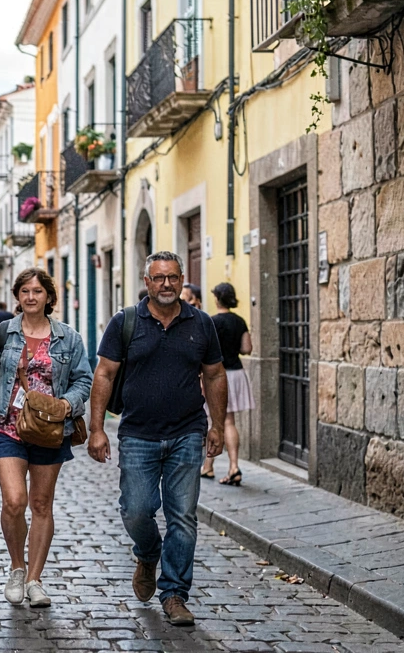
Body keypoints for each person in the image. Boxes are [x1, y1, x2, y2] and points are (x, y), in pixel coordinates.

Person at [87, 250, 227, 627]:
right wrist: (97, 428)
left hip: (187, 432)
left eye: (174, 278)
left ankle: (175, 594)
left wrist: (217, 425)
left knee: (182, 517)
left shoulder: (202, 323)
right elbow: (104, 375)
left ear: (182, 281)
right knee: (136, 509)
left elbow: (214, 375)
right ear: (146, 282)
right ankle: (148, 553)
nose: (167, 284)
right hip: (137, 433)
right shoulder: (126, 322)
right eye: (159, 278)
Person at [0, 269, 92, 608]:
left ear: (49, 297)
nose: (31, 297)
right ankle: (16, 567)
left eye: (38, 291)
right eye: (25, 291)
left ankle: (35, 579)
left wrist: (69, 403)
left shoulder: (69, 338)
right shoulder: (2, 335)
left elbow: (84, 380)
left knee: (40, 504)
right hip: (6, 425)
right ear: (18, 296)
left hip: (50, 430)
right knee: (14, 500)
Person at [201, 283, 254, 485]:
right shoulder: (239, 321)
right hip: (236, 372)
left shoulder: (211, 322)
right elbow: (247, 348)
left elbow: (204, 351)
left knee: (214, 421)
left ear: (217, 299)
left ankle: (210, 466)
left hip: (216, 375)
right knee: (229, 422)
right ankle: (230, 466)